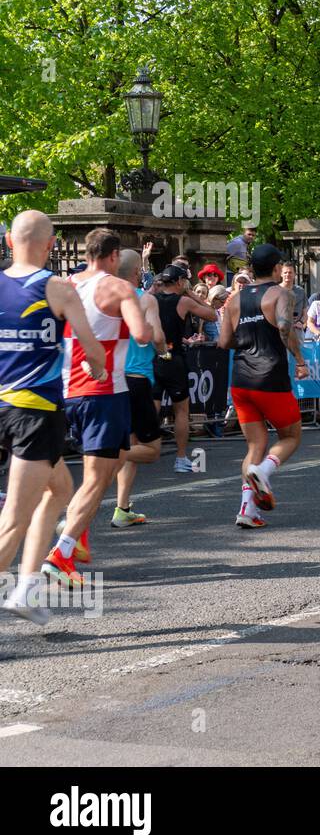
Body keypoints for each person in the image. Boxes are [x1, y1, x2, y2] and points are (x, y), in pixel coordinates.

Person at [0, 212, 106, 624]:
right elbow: (91, 347)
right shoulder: (57, 287)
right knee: (14, 519)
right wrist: (96, 369)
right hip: (36, 413)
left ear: (9, 241)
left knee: (59, 489)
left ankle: (26, 587)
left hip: (4, 408)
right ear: (52, 244)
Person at [41, 228, 153, 589]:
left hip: (63, 389)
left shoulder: (63, 286)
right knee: (96, 477)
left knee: (111, 462)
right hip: (104, 390)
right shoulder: (119, 288)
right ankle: (61, 553)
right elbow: (140, 335)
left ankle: (78, 536)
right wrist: (148, 324)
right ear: (114, 255)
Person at [218, 244, 309, 528]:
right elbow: (284, 327)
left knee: (255, 444)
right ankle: (264, 472)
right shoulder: (281, 293)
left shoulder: (234, 299)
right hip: (270, 377)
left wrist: (245, 339)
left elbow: (223, 342)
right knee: (291, 436)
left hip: (241, 380)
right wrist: (299, 358)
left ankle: (247, 510)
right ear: (276, 268)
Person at [113, 249, 169, 527]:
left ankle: (122, 508)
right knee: (151, 449)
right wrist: (163, 351)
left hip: (111, 379)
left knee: (132, 443)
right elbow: (157, 337)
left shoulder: (105, 297)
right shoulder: (146, 299)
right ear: (137, 273)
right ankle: (103, 455)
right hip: (137, 378)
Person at [153, 264, 218, 471]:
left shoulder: (150, 299)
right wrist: (191, 293)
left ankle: (139, 450)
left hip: (153, 357)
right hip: (174, 358)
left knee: (151, 407)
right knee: (181, 410)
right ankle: (181, 458)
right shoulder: (183, 301)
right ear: (180, 282)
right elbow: (212, 314)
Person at [281, 264, 308, 331]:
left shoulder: (301, 291)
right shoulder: (275, 290)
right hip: (280, 330)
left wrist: (301, 322)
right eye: (285, 272)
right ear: (281, 274)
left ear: (294, 274)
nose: (287, 274)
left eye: (290, 272)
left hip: (297, 330)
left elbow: (306, 312)